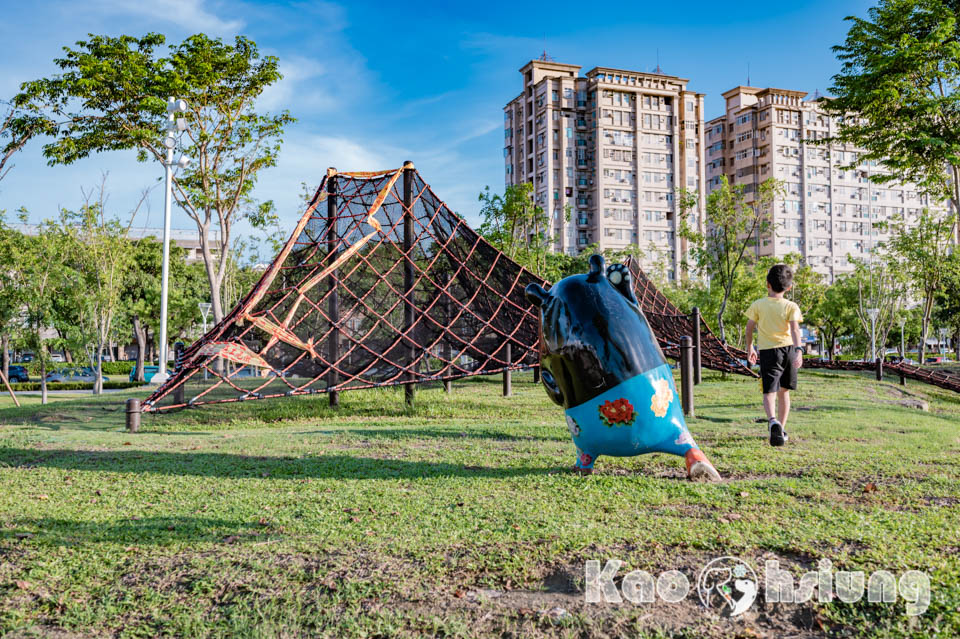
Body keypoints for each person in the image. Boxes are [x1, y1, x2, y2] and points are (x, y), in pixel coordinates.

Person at [745, 264, 804, 447]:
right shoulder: (791, 306)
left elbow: (749, 327)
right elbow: (795, 329)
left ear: (767, 284)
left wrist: (750, 348)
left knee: (769, 392)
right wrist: (799, 350)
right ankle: (782, 429)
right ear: (789, 287)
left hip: (768, 352)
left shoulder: (758, 305)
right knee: (784, 391)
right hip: (788, 350)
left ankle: (772, 421)